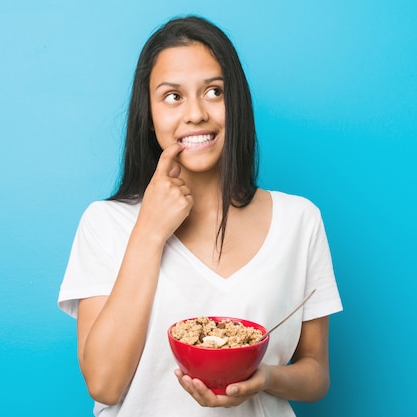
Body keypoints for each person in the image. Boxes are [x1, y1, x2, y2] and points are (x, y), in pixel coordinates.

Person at [58, 15, 343, 417]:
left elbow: (316, 374)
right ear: (150, 113)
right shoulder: (105, 224)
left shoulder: (299, 220)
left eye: (213, 91)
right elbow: (104, 384)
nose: (195, 114)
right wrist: (149, 231)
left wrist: (264, 378)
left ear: (237, 102)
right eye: (172, 96)